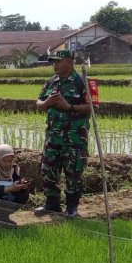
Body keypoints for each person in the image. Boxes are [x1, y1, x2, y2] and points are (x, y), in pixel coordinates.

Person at [34, 49, 93, 218]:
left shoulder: (83, 82)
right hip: (53, 137)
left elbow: (93, 108)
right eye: (53, 62)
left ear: (69, 62)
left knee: (73, 172)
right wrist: (47, 102)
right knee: (48, 170)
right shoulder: (51, 81)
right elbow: (38, 103)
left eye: (58, 62)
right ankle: (52, 204)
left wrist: (70, 107)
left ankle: (72, 207)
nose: (55, 65)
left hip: (75, 139)